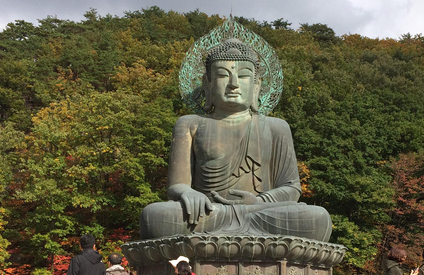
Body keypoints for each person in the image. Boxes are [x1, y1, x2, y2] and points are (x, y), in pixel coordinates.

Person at [139, 37, 331, 242]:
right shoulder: (190, 124)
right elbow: (176, 185)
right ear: (208, 85)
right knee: (155, 216)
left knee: (317, 218)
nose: (233, 84)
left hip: (261, 212)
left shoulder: (276, 127)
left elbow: (292, 188)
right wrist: (188, 193)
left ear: (257, 86)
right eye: (223, 75)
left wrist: (258, 202)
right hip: (209, 213)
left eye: (243, 76)